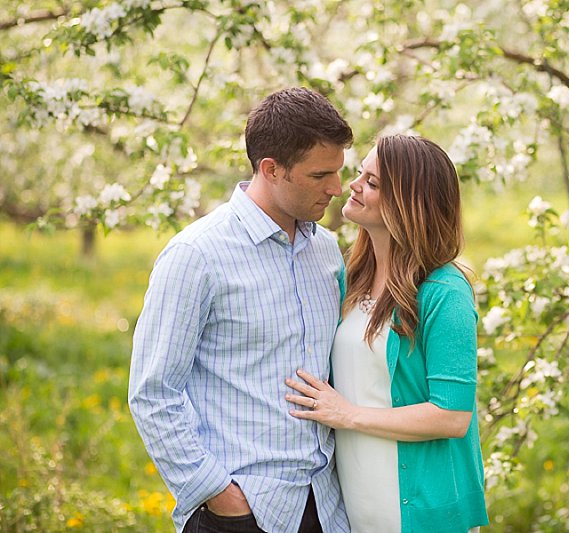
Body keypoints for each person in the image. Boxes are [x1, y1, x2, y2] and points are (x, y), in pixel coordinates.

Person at [128, 87, 353, 533]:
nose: (336, 188)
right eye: (320, 175)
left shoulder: (327, 251)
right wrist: (217, 494)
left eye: (338, 171)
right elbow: (153, 392)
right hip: (242, 512)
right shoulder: (196, 255)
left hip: (327, 508)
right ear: (271, 169)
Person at [285, 134, 489, 533]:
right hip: (356, 509)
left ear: (409, 204)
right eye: (361, 173)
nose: (353, 185)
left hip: (422, 513)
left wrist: (348, 415)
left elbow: (451, 416)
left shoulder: (444, 292)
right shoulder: (350, 278)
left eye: (373, 182)